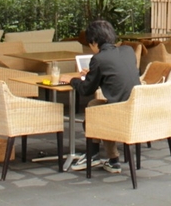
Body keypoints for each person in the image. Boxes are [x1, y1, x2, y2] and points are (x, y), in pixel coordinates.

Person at [60, 19, 141, 173]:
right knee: (95, 106)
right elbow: (114, 73)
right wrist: (92, 74)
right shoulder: (128, 51)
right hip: (137, 107)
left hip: (120, 112)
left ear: (94, 42)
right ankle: (110, 159)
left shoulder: (98, 59)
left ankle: (95, 155)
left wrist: (72, 80)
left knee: (94, 112)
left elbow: (86, 89)